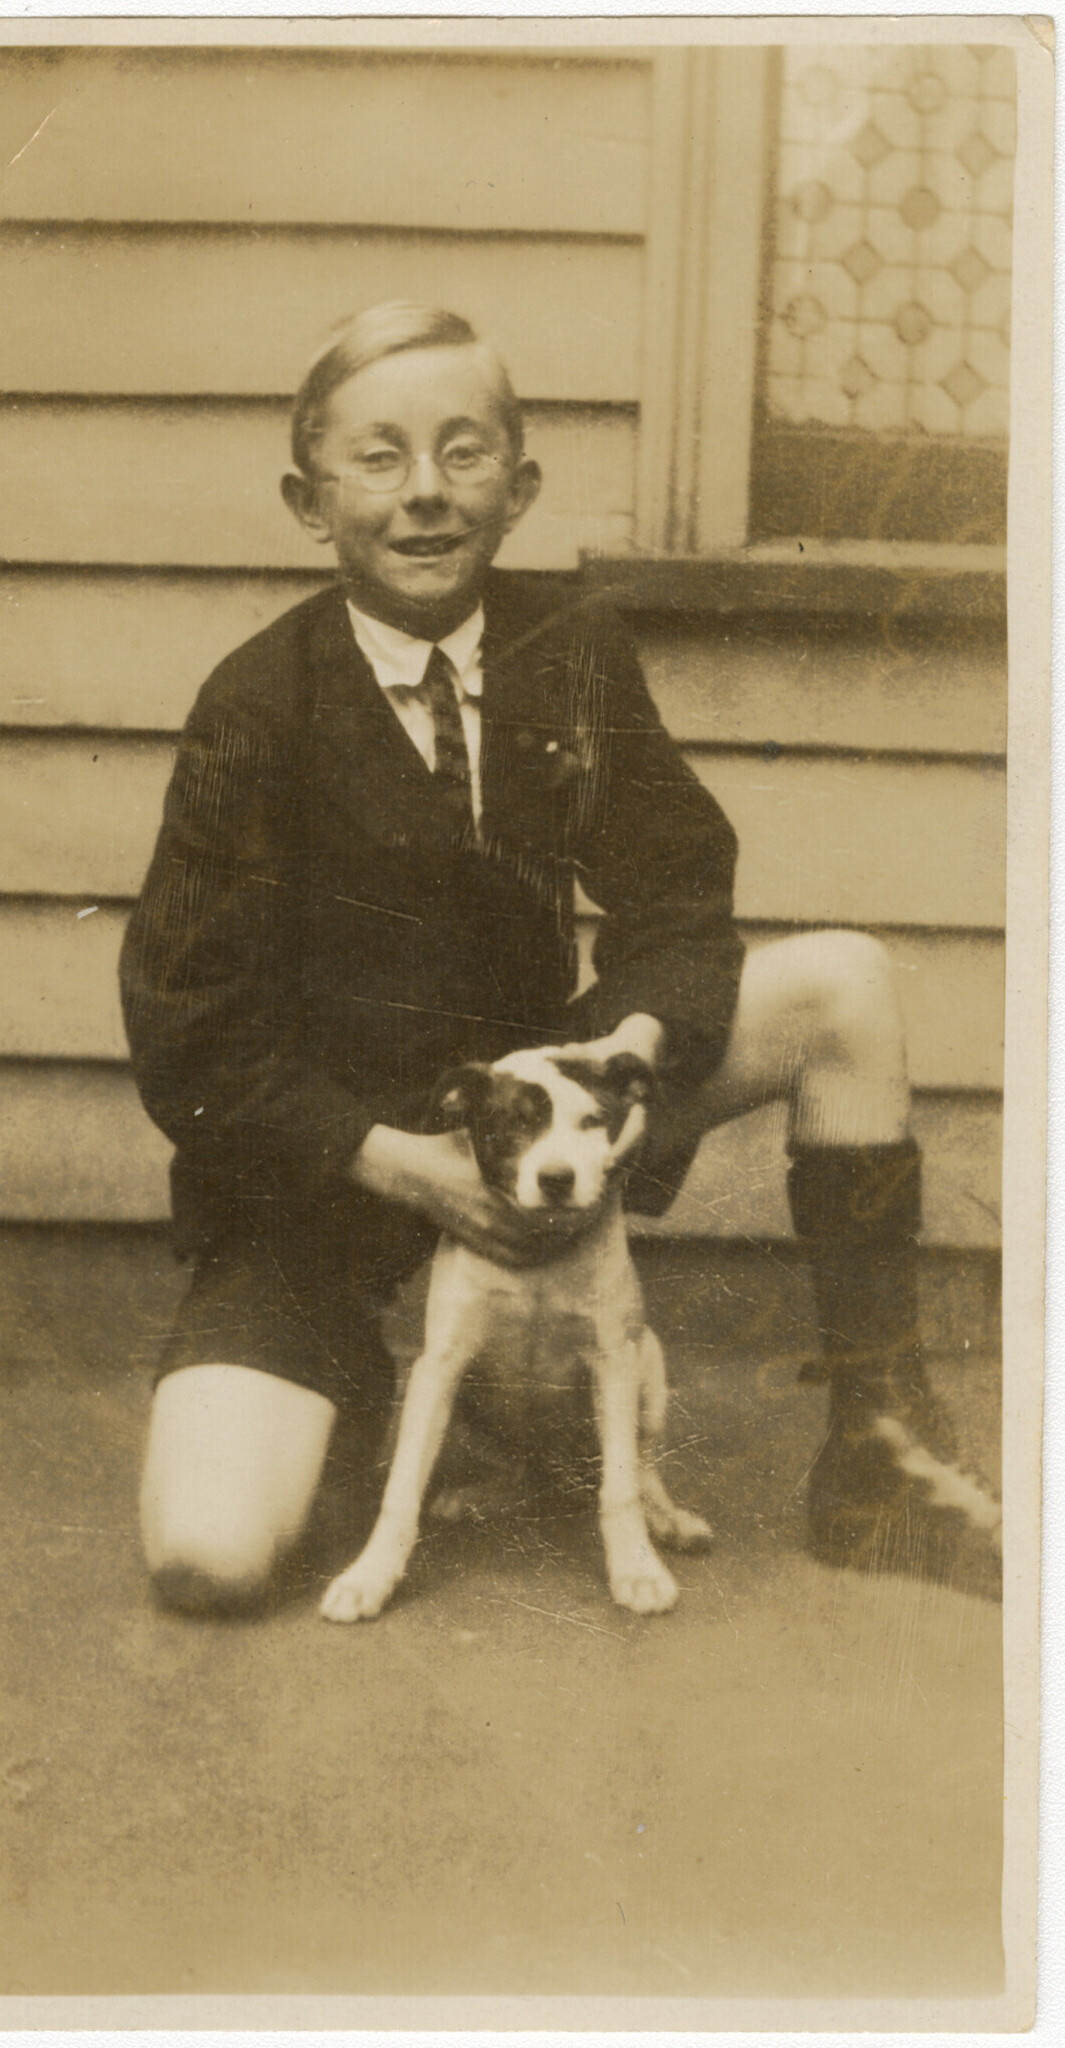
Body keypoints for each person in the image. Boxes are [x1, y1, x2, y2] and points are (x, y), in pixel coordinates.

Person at [120, 302, 1000, 1614]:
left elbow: (677, 886)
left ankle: (881, 1447)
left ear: (519, 487)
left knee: (846, 986)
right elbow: (191, 1033)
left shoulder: (569, 651)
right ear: (311, 502)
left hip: (538, 1123)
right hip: (336, 1182)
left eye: (464, 451)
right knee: (209, 1553)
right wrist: (401, 1163)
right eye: (380, 457)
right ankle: (358, 1394)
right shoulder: (256, 707)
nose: (426, 492)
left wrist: (632, 1048)